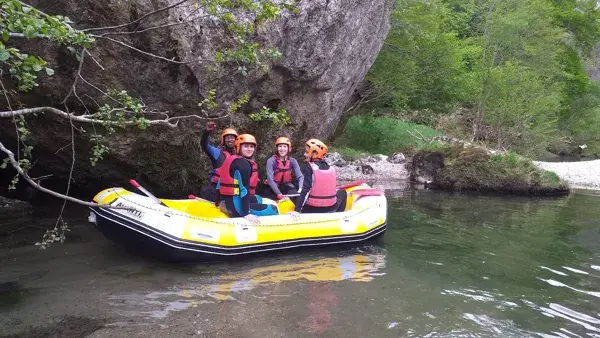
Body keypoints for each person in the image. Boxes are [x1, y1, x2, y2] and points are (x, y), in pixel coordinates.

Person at [216, 134, 278, 223]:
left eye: (251, 146)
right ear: (238, 147)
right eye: (246, 146)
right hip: (234, 205)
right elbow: (244, 189)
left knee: (259, 199)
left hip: (224, 201)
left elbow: (219, 183)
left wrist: (217, 201)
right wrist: (246, 213)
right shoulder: (243, 164)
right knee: (274, 209)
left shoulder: (231, 159)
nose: (249, 149)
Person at [289, 139, 347, 219]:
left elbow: (304, 190)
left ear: (315, 153)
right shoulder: (330, 168)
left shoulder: (307, 168)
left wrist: (297, 210)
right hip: (331, 208)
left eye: (307, 152)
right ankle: (338, 216)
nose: (304, 154)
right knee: (342, 192)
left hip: (311, 209)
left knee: (291, 191)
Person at [199, 122, 237, 202]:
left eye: (232, 138)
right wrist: (207, 132)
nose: (230, 140)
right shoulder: (217, 153)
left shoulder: (240, 155)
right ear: (223, 140)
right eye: (227, 138)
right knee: (208, 192)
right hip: (217, 187)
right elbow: (204, 145)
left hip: (234, 189)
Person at [262, 137, 304, 201]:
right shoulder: (271, 161)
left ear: (288, 148)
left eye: (285, 146)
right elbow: (270, 180)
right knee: (268, 197)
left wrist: (300, 188)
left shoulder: (293, 161)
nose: (282, 149)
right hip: (273, 188)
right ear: (277, 148)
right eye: (280, 146)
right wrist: (278, 193)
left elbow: (300, 176)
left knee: (295, 195)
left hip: (286, 187)